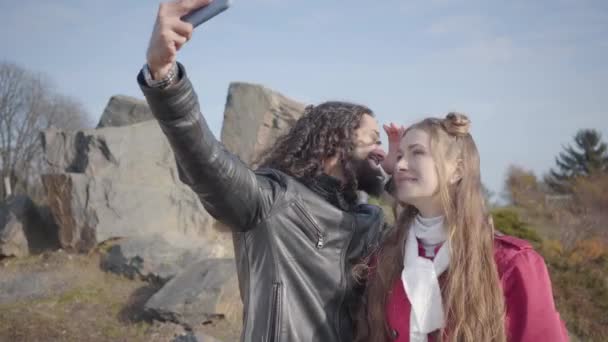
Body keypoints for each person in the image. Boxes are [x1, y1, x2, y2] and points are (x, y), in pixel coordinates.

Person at [137, 0, 397, 340]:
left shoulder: (372, 224)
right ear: (335, 142)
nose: (382, 150)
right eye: (373, 139)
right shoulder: (271, 203)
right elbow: (206, 162)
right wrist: (165, 77)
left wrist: (403, 176)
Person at [356, 113, 568, 342]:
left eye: (417, 153)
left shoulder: (510, 262)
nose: (400, 165)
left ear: (457, 170)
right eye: (399, 156)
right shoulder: (385, 258)